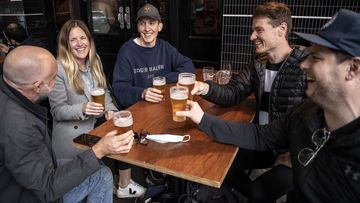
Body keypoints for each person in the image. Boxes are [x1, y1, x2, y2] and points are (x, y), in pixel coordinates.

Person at [178, 9, 360, 202]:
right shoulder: (303, 112)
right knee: (219, 164)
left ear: (353, 69)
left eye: (315, 58)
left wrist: (294, 155)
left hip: (285, 150)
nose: (304, 65)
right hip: (275, 143)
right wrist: (203, 111)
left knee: (259, 190)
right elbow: (259, 132)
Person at [193, 2, 307, 201]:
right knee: (217, 166)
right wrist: (206, 88)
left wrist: (299, 155)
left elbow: (318, 120)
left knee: (257, 192)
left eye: (259, 30)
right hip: (261, 140)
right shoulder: (258, 63)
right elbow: (233, 93)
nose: (251, 37)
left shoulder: (304, 66)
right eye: (253, 30)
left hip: (291, 152)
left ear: (282, 29)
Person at [0, 45, 134, 202]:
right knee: (101, 175)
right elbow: (47, 189)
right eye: (54, 77)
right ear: (37, 86)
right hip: (28, 195)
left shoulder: (8, 97)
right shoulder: (20, 126)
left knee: (100, 171)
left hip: (28, 174)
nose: (57, 81)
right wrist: (99, 150)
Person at [48, 19, 146, 199]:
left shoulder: (94, 62)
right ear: (65, 44)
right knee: (99, 178)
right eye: (73, 40)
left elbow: (105, 94)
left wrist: (111, 111)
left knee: (103, 175)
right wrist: (83, 108)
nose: (80, 44)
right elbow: (57, 110)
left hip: (91, 136)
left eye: (83, 38)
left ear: (89, 40)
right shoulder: (59, 68)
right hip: (70, 143)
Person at [112, 3, 196, 109]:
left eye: (152, 23)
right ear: (138, 27)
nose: (147, 29)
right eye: (142, 24)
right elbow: (120, 89)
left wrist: (165, 79)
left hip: (163, 105)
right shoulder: (127, 51)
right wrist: (142, 93)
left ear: (159, 26)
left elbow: (188, 67)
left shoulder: (165, 47)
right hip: (139, 108)